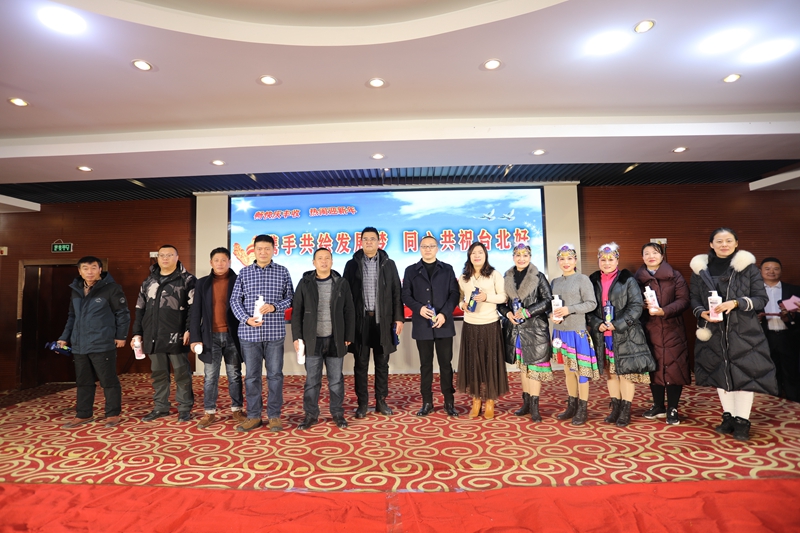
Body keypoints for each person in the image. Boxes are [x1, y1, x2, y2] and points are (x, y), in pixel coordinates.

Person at [690, 228, 778, 441]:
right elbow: (694, 298)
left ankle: (742, 420)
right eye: (719, 241)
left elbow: (761, 299)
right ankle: (728, 416)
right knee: (719, 373)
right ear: (711, 244)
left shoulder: (748, 268)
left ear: (736, 243)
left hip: (743, 331)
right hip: (713, 330)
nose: (724, 244)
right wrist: (701, 312)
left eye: (729, 240)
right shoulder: (700, 269)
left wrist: (736, 303)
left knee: (744, 375)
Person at [230, 234, 294, 432]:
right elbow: (235, 300)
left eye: (267, 248)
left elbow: (291, 298)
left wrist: (275, 307)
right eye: (260, 249)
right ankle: (254, 416)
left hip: (274, 333)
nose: (263, 252)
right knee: (252, 377)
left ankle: (274, 416)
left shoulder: (282, 272)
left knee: (275, 376)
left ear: (273, 250)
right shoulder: (244, 273)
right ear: (254, 250)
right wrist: (245, 319)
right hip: (249, 334)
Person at [587, 243, 655, 428]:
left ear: (617, 260)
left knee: (625, 373)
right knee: (611, 374)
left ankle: (626, 410)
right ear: (598, 261)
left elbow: (636, 306)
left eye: (611, 259)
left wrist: (617, 324)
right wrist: (597, 323)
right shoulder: (593, 280)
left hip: (624, 334)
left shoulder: (628, 280)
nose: (607, 263)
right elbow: (589, 307)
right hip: (603, 335)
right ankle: (615, 408)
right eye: (603, 259)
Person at [58, 256, 129, 428]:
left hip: (102, 342)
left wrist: (121, 336)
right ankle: (83, 414)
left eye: (93, 268)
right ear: (79, 271)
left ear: (100, 269)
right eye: (85, 268)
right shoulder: (76, 289)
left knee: (108, 380)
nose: (89, 272)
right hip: (79, 344)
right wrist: (64, 337)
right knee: (83, 381)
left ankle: (112, 414)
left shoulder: (111, 288)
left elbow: (122, 313)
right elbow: (72, 316)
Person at [343, 227, 404, 418]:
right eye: (365, 239)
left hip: (382, 321)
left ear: (379, 242)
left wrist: (398, 318)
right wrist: (347, 324)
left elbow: (396, 292)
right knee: (360, 364)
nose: (369, 242)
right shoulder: (351, 265)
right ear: (360, 242)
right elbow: (345, 296)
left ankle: (381, 401)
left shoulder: (388, 264)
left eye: (372, 239)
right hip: (360, 322)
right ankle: (362, 404)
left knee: (382, 363)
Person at [291, 248, 355, 429]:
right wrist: (297, 337)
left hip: (336, 339)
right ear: (314, 262)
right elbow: (297, 312)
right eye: (320, 258)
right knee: (312, 381)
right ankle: (311, 415)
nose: (324, 261)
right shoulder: (305, 283)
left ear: (332, 261)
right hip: (312, 340)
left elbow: (349, 310)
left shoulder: (341, 283)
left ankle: (337, 413)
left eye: (327, 258)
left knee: (336, 380)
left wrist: (348, 335)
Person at [132, 245, 196, 422]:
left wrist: (189, 329)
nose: (165, 258)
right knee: (159, 374)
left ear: (177, 257)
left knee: (182, 373)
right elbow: (139, 309)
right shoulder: (148, 281)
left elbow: (194, 308)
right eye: (162, 255)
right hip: (153, 335)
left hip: (177, 334)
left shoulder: (187, 279)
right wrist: (137, 333)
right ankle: (161, 407)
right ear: (157, 258)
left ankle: (184, 408)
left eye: (169, 255)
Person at [401, 235, 460, 417]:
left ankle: (449, 402)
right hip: (422, 325)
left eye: (431, 246)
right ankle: (427, 402)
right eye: (424, 246)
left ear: (437, 248)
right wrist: (418, 309)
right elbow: (405, 295)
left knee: (446, 364)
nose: (428, 249)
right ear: (419, 248)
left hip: (444, 324)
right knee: (425, 365)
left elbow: (454, 294)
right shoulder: (411, 270)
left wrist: (444, 314)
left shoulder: (447, 269)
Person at [633, 242, 691, 425]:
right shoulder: (636, 279)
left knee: (674, 367)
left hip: (672, 328)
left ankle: (673, 407)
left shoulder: (675, 276)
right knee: (654, 367)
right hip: (648, 328)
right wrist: (640, 306)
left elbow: (684, 300)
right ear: (642, 257)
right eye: (647, 253)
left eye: (655, 253)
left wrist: (664, 311)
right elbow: (630, 302)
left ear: (662, 256)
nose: (651, 256)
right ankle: (658, 405)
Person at [189, 247, 245, 429]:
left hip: (232, 336)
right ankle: (209, 411)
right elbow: (195, 311)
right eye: (216, 260)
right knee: (210, 376)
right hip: (209, 336)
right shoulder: (202, 283)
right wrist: (195, 337)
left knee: (234, 375)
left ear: (229, 262)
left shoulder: (239, 281)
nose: (220, 263)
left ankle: (237, 409)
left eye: (223, 260)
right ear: (211, 263)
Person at [498, 243, 553, 422]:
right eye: (518, 255)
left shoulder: (538, 276)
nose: (521, 258)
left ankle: (535, 407)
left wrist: (528, 312)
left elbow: (548, 301)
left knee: (534, 368)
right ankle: (526, 403)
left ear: (530, 257)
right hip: (516, 329)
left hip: (535, 329)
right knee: (523, 368)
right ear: (513, 257)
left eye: (525, 255)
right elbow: (501, 303)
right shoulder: (507, 277)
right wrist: (508, 314)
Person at [456, 242, 508, 419]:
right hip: (470, 325)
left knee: (490, 364)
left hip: (490, 324)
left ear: (485, 255)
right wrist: (462, 305)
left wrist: (486, 297)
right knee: (473, 365)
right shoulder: (464, 277)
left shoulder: (494, 274)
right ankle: (476, 400)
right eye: (473, 253)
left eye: (480, 252)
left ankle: (490, 401)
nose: (477, 256)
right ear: (469, 256)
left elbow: (503, 297)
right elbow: (459, 298)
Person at [549, 243, 598, 426]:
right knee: (568, 371)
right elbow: (550, 305)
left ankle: (583, 409)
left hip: (577, 331)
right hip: (560, 332)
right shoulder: (555, 282)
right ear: (558, 261)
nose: (566, 262)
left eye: (569, 258)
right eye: (562, 259)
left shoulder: (582, 279)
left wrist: (569, 309)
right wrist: (551, 315)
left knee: (580, 372)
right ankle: (572, 405)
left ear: (575, 260)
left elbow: (591, 303)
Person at [758, 257, 800, 403]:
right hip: (765, 337)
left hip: (788, 336)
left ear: (781, 271)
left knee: (791, 372)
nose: (772, 271)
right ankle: (772, 402)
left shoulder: (794, 290)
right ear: (760, 271)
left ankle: (794, 402)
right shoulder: (754, 292)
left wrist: (792, 316)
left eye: (776, 269)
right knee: (769, 371)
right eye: (767, 268)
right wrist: (757, 319)